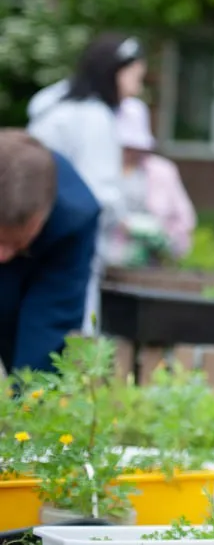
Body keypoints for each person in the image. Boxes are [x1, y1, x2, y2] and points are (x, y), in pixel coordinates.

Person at [27, 33, 147, 332]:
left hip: (32, 234)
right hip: (69, 245)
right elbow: (101, 195)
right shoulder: (94, 118)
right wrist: (123, 222)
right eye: (135, 77)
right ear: (115, 72)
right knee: (71, 338)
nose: (137, 87)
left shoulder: (52, 107)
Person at [0, 130, 100, 374]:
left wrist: (30, 402)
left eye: (16, 242)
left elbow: (50, 322)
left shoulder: (73, 217)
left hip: (45, 264)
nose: (2, 256)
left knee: (37, 364)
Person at [103, 97, 197, 267]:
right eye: (125, 146)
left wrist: (167, 240)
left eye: (134, 146)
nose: (129, 152)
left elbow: (185, 221)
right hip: (107, 263)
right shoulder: (100, 170)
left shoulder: (162, 172)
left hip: (151, 265)